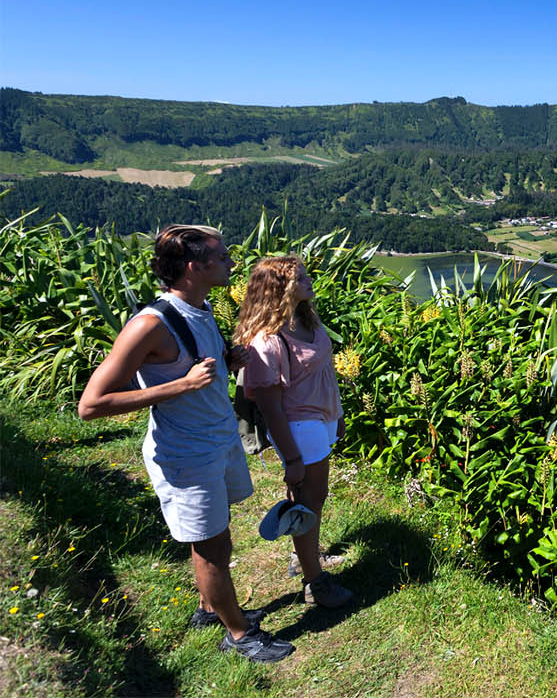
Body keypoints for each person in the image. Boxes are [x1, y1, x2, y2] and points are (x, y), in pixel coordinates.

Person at [78, 225, 293, 663]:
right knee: (212, 546)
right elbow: (91, 404)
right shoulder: (150, 324)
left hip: (216, 441)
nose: (233, 263)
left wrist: (226, 360)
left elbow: (196, 366)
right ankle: (238, 636)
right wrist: (180, 386)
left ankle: (210, 608)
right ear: (196, 266)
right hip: (186, 454)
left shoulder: (201, 306)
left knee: (214, 536)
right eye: (224, 256)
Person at [235, 256, 353, 609]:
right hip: (300, 427)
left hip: (321, 418)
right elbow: (271, 409)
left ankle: (303, 556)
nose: (308, 280)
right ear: (279, 289)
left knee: (308, 497)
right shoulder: (267, 342)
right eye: (299, 278)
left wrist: (339, 414)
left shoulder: (305, 320)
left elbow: (325, 374)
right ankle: (315, 584)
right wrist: (292, 457)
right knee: (311, 499)